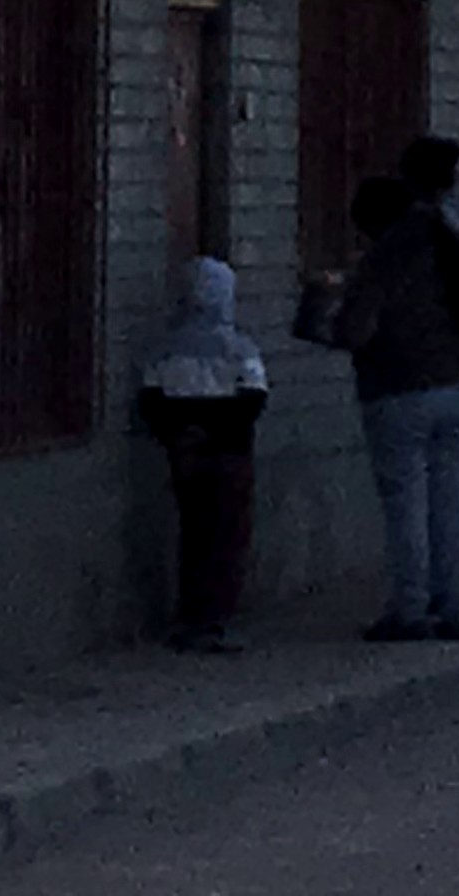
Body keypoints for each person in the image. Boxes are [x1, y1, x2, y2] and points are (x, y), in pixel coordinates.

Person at [334, 141, 459, 641]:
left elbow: (355, 328)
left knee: (406, 503)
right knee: (451, 498)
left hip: (397, 389)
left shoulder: (392, 248)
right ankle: (455, 605)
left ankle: (409, 609)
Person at [135, 257, 268, 651]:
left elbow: (151, 400)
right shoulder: (238, 347)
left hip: (184, 454)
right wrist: (217, 431)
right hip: (229, 453)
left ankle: (190, 616)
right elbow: (253, 399)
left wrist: (183, 434)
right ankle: (216, 620)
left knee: (193, 534)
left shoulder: (165, 347)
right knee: (227, 538)